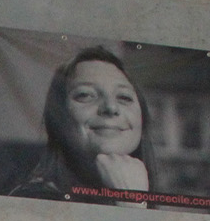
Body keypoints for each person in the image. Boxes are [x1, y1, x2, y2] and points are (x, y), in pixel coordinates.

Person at [10, 47, 155, 203]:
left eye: (124, 97)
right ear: (59, 116)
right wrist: (130, 202)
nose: (111, 108)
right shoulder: (32, 200)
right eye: (85, 95)